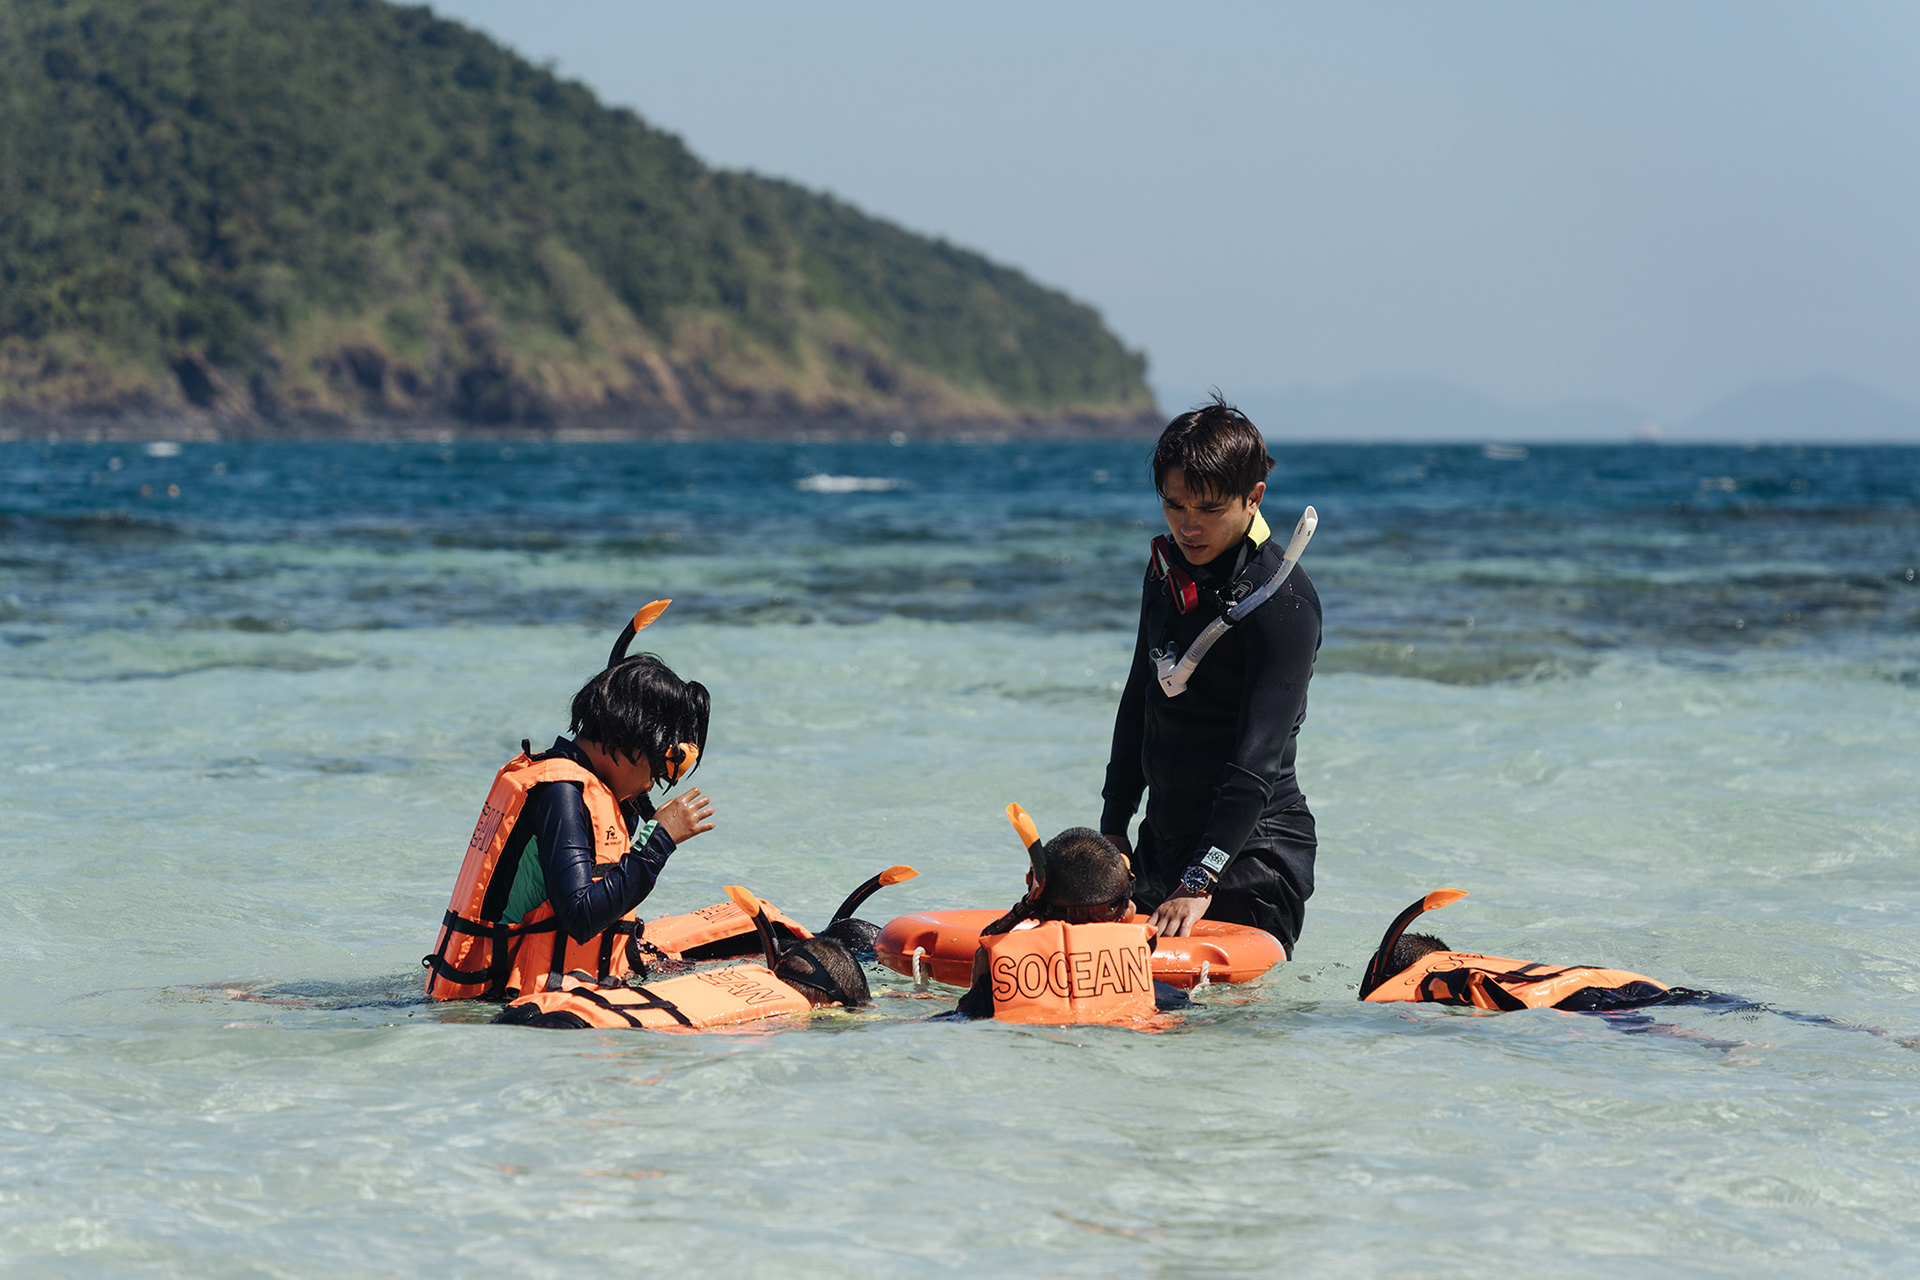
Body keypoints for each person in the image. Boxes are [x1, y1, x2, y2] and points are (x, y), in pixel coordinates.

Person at [1101, 396, 1321, 951]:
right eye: (1174, 506)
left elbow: (1258, 758)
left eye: (1208, 509)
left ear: (1254, 498)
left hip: (1251, 858)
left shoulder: (1284, 602)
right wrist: (1113, 828)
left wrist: (1203, 876)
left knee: (1218, 1031)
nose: (1188, 527)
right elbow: (1139, 705)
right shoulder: (1166, 575)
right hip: (1161, 849)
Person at [423, 653, 715, 1001]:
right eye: (661, 766)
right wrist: (659, 841)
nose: (655, 783)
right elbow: (580, 916)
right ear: (631, 738)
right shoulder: (559, 793)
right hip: (494, 1004)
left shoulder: (575, 784)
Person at [949, 827, 1190, 1023]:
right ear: (1126, 912)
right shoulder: (1162, 998)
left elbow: (961, 1023)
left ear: (1035, 896)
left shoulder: (995, 996)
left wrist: (977, 987)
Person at [494, 935, 871, 1030]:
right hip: (576, 1028)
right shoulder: (792, 1016)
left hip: (545, 1004)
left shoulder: (745, 978)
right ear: (831, 1006)